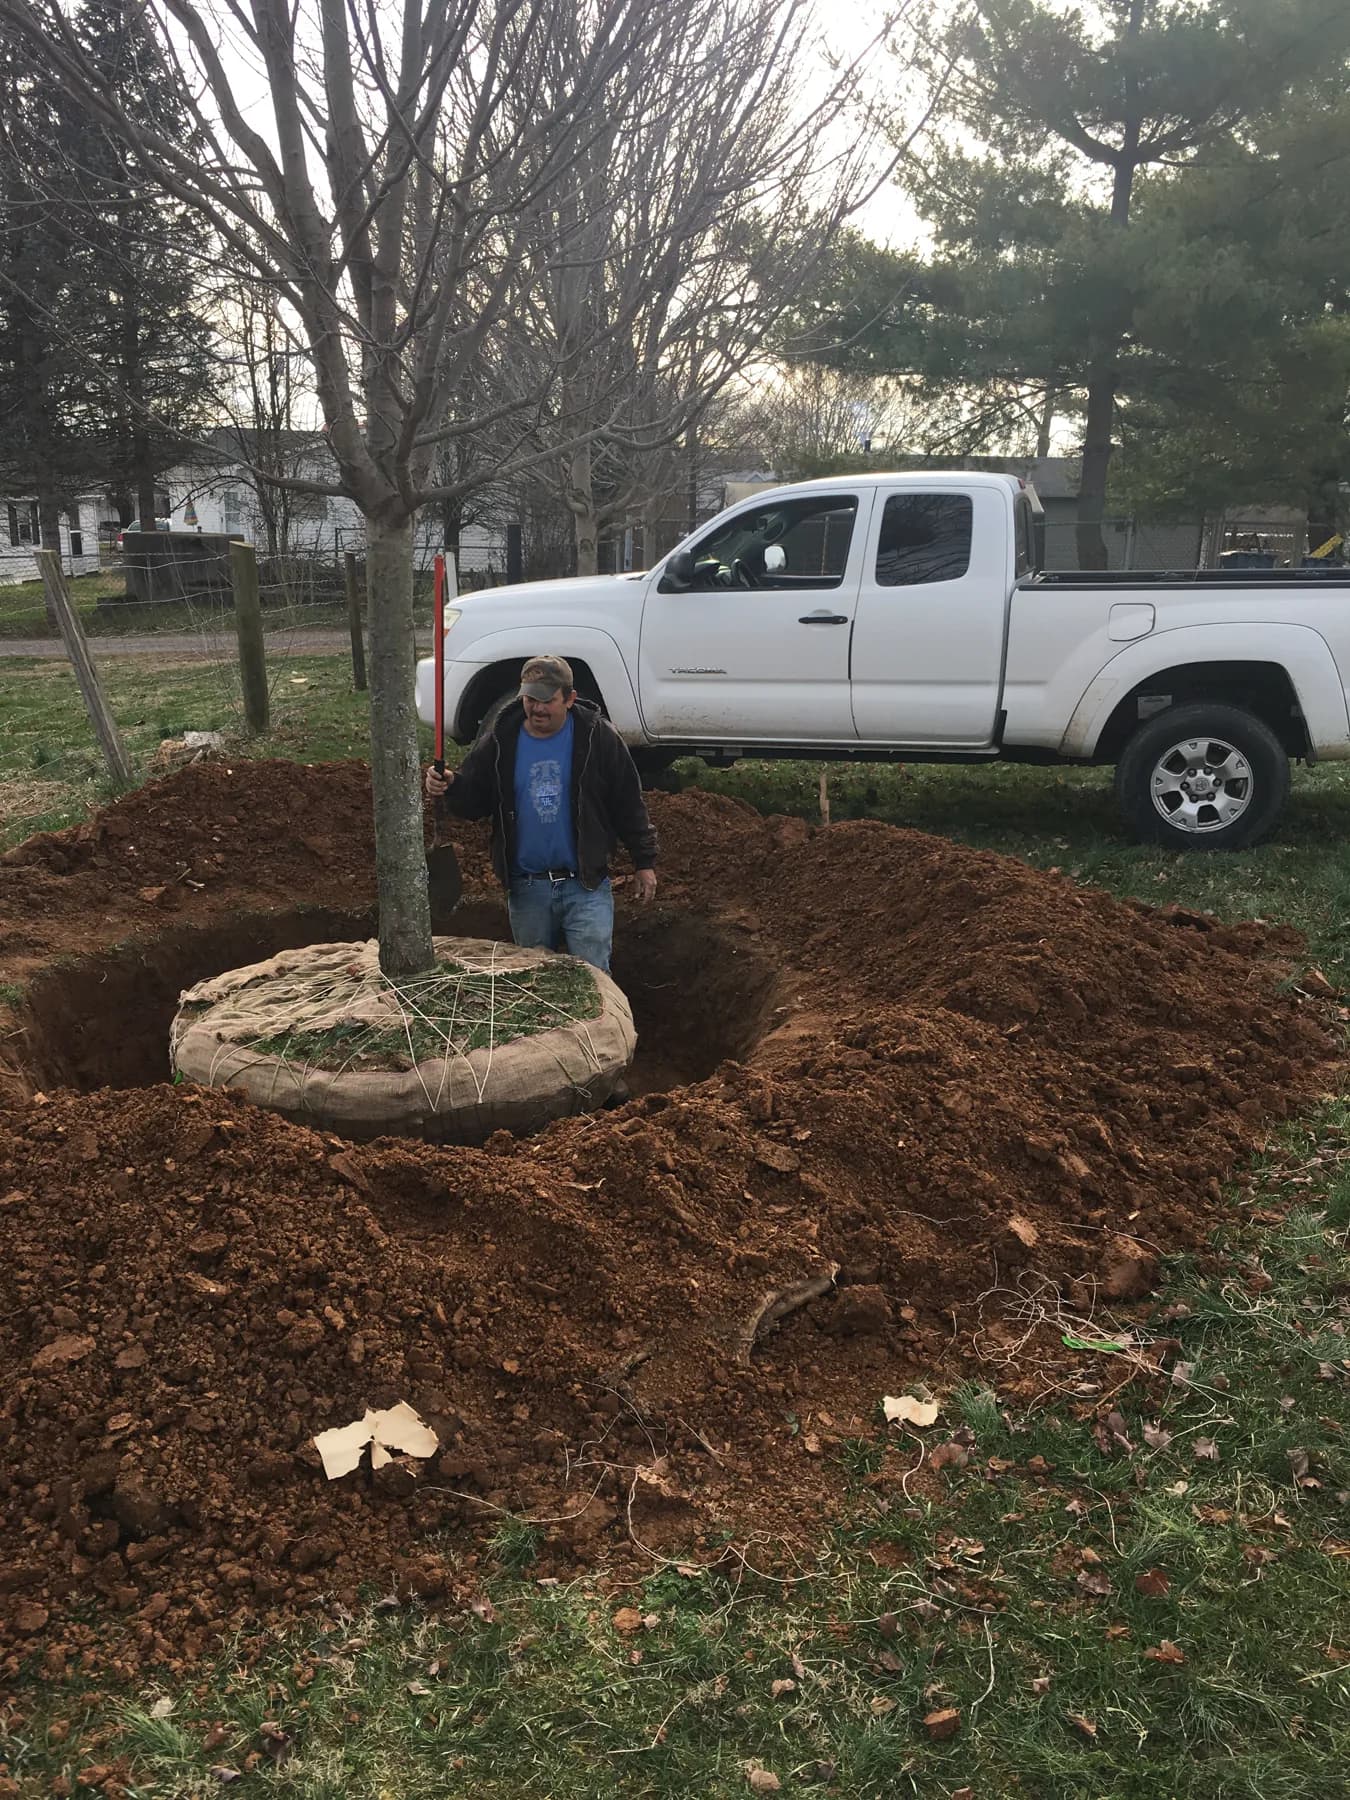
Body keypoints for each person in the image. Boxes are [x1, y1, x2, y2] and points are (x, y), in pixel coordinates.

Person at [423, 654, 657, 972]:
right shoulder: (501, 739)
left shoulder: (597, 738)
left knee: (593, 977)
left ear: (570, 699)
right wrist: (450, 786)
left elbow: (627, 802)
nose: (537, 708)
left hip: (585, 887)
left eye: (547, 700)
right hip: (527, 889)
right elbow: (474, 801)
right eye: (530, 698)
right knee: (535, 984)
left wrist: (643, 862)